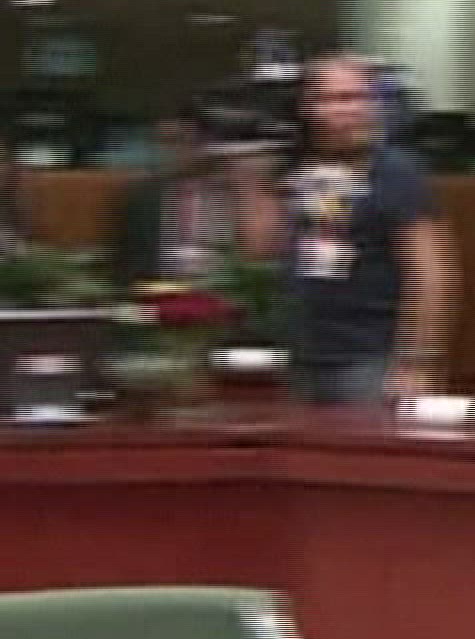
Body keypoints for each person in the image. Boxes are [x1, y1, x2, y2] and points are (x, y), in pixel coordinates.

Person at [285, 53, 456, 405]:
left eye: (356, 97)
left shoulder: (397, 173)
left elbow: (431, 275)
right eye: (330, 99)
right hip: (301, 355)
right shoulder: (296, 169)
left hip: (371, 359)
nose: (346, 109)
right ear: (307, 107)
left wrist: (417, 362)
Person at [110, 101, 275, 289]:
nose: (168, 151)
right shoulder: (143, 195)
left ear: (203, 142)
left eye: (177, 140)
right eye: (161, 142)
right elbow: (127, 261)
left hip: (226, 291)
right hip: (158, 291)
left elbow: (259, 256)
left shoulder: (238, 190)